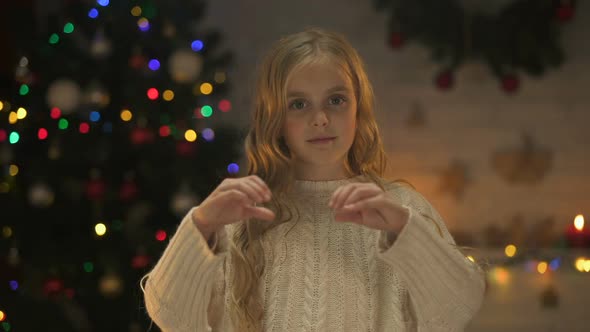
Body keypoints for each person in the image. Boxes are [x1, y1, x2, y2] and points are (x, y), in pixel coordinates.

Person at [141, 27, 485, 331]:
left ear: (358, 107)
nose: (320, 118)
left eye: (336, 100)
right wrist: (201, 225)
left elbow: (457, 310)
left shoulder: (400, 209)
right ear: (275, 117)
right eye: (298, 104)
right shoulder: (242, 218)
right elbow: (171, 317)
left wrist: (406, 234)